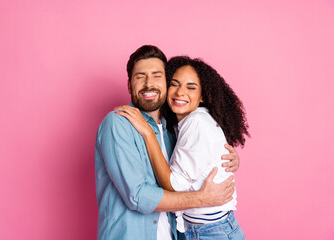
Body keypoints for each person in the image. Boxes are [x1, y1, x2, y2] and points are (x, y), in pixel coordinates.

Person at [95, 45, 240, 240]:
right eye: (140, 77)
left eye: (157, 76)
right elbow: (138, 196)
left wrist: (230, 159)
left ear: (165, 82)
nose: (149, 84)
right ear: (129, 85)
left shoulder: (172, 129)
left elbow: (193, 167)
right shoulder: (118, 123)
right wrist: (201, 199)